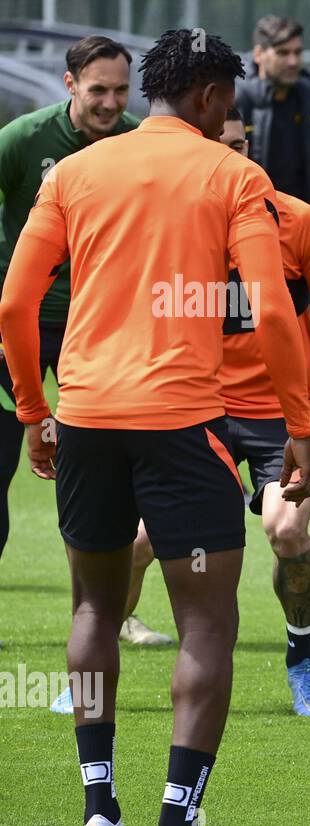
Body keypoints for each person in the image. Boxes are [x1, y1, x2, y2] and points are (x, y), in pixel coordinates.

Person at [0, 29, 310, 826]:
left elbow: (13, 304)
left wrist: (36, 410)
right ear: (212, 98)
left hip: (90, 422)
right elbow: (275, 311)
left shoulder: (73, 172)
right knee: (207, 622)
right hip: (183, 428)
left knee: (94, 609)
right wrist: (296, 426)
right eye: (229, 103)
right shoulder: (233, 175)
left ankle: (99, 811)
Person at [125, 108, 310, 718]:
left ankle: (302, 657)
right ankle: (103, 643)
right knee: (136, 544)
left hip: (285, 413)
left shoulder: (297, 221)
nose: (235, 156)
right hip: (197, 407)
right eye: (221, 145)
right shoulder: (175, 227)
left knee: (287, 532)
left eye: (241, 144)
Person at [0, 37, 145, 591]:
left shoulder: (136, 142)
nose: (111, 103)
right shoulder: (24, 139)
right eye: (98, 90)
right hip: (20, 325)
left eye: (121, 90)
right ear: (69, 85)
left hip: (102, 330)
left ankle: (114, 609)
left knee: (115, 471)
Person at [235, 15, 310, 210]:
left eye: (297, 52)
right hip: (249, 217)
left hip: (298, 218)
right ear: (259, 54)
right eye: (283, 53)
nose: (293, 61)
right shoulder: (233, 99)